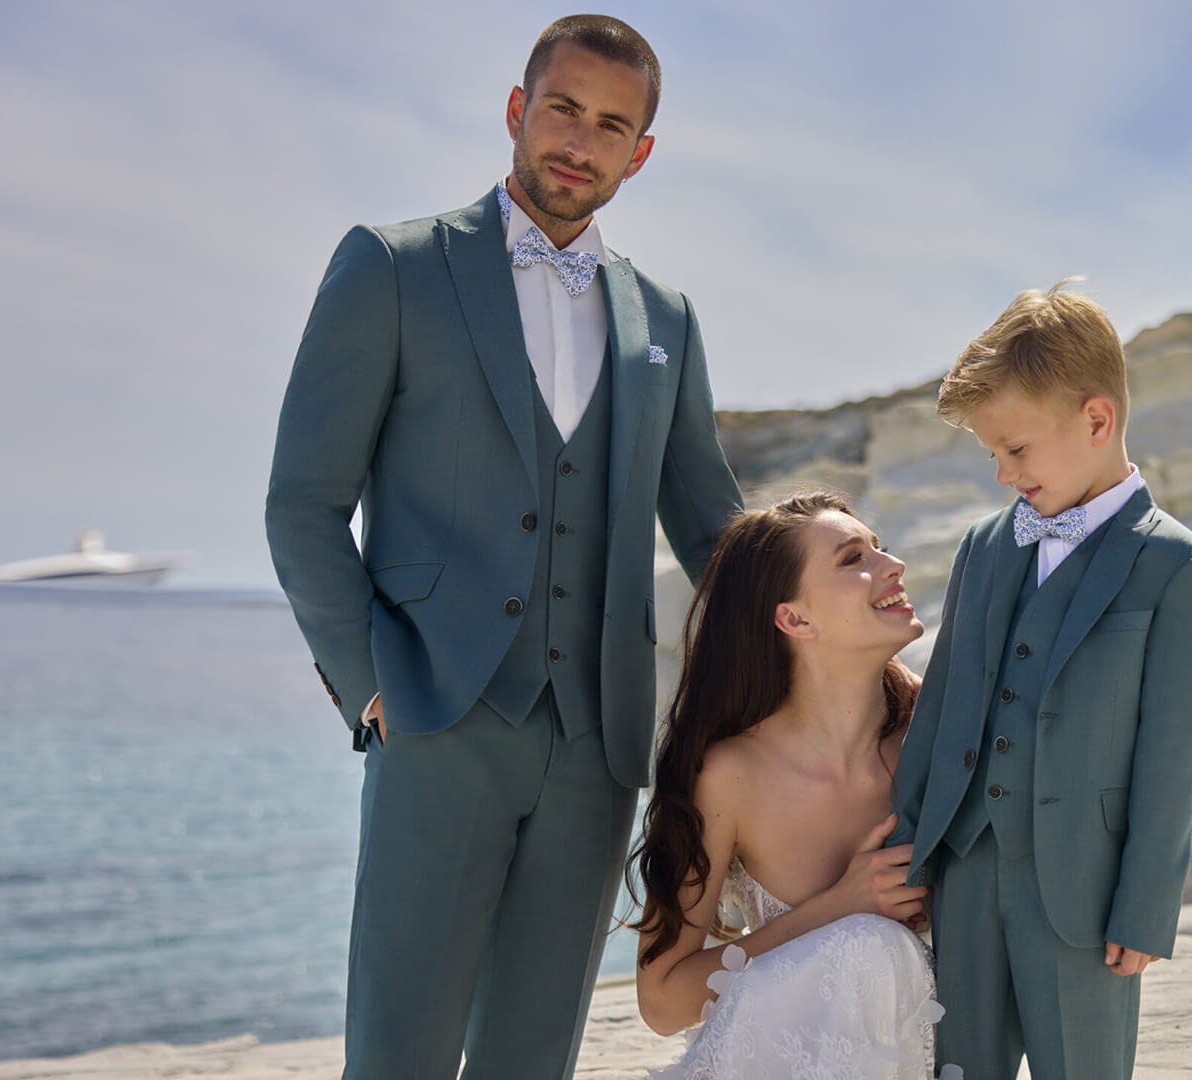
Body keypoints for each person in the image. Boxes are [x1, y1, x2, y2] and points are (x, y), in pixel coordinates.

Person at [263, 15, 742, 1078]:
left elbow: (714, 532)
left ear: (640, 153)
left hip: (596, 743)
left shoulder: (667, 318)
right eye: (563, 108)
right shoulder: (392, 268)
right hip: (436, 718)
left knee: (536, 1055)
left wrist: (843, 651)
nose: (581, 140)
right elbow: (302, 503)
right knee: (400, 1051)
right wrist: (370, 685)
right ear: (518, 111)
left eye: (612, 126)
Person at [889, 282, 1192, 1078]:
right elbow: (940, 711)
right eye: (992, 456)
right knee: (958, 1068)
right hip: (966, 870)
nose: (1005, 475)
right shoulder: (983, 545)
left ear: (1097, 419)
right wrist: (908, 849)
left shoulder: (1180, 568)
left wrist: (1145, 908)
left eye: (1017, 449)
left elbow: (1170, 755)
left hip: (1084, 893)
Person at [632, 493, 957, 1079]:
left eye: (879, 546)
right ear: (795, 619)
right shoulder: (730, 775)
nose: (892, 564)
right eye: (853, 557)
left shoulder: (932, 740)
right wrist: (837, 907)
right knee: (864, 943)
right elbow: (661, 1001)